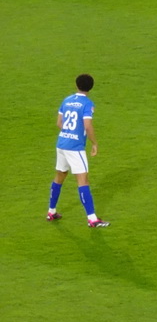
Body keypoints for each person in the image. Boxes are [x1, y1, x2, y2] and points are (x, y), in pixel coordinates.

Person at [47, 74, 109, 227]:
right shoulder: (87, 104)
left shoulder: (67, 100)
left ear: (76, 85)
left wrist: (69, 133)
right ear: (91, 87)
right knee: (83, 181)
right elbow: (87, 125)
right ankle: (92, 219)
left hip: (61, 143)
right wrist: (94, 143)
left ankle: (51, 211)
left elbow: (58, 123)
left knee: (60, 175)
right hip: (75, 148)